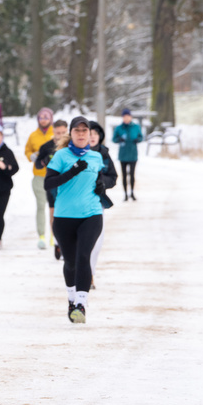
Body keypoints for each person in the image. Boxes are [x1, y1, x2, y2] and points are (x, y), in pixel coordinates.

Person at [44, 116, 105, 324]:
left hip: (91, 214)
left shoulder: (97, 158)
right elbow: (48, 183)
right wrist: (72, 171)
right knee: (69, 261)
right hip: (64, 217)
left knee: (83, 257)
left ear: (90, 135)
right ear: (71, 134)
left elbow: (103, 179)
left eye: (84, 131)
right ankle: (71, 300)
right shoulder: (61, 156)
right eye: (77, 131)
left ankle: (81, 304)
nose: (81, 134)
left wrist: (102, 185)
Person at [88, 120, 118, 288]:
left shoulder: (104, 155)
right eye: (89, 133)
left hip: (97, 201)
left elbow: (113, 178)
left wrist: (100, 182)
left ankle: (90, 274)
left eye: (95, 134)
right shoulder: (75, 154)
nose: (92, 137)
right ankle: (80, 272)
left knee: (97, 240)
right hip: (76, 202)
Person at [35, 119, 69, 261]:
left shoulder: (71, 146)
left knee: (69, 213)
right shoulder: (46, 147)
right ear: (53, 132)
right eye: (57, 133)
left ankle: (67, 242)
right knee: (53, 213)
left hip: (68, 184)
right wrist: (44, 162)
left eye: (63, 132)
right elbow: (37, 164)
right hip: (53, 184)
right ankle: (56, 241)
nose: (60, 136)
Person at [24, 107, 55, 249]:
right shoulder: (33, 135)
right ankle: (41, 235)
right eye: (41, 117)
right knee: (41, 206)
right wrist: (32, 156)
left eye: (46, 117)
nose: (43, 120)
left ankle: (54, 236)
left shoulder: (56, 133)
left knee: (54, 208)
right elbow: (27, 150)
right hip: (39, 176)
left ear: (51, 119)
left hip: (55, 176)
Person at [111, 108, 143, 201]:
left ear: (130, 117)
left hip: (133, 154)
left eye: (127, 116)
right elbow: (114, 139)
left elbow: (141, 137)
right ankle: (125, 194)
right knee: (124, 175)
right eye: (124, 117)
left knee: (132, 175)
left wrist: (138, 140)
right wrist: (119, 139)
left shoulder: (136, 127)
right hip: (123, 155)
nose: (126, 118)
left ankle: (132, 192)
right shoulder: (119, 128)